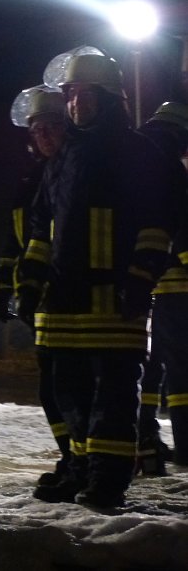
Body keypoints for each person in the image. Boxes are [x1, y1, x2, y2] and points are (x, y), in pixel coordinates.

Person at [17, 50, 176, 508]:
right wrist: (30, 282)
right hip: (64, 302)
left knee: (115, 398)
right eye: (67, 95)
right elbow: (42, 229)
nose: (70, 103)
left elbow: (157, 224)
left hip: (115, 300)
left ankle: (107, 483)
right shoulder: (63, 157)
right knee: (72, 398)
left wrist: (140, 279)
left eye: (79, 93)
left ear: (105, 96)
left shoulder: (139, 152)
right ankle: (82, 471)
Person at [0, 85, 70, 485]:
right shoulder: (31, 181)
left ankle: (81, 460)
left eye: (52, 127)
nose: (44, 137)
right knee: (51, 389)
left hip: (68, 296)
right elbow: (16, 240)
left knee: (67, 387)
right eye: (37, 130)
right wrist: (4, 285)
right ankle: (72, 457)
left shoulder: (73, 174)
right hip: (37, 297)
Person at [139, 101, 188, 468]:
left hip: (141, 287)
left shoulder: (136, 170)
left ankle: (144, 443)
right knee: (181, 371)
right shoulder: (175, 174)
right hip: (176, 290)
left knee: (147, 371)